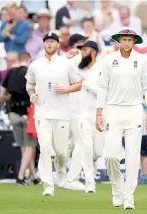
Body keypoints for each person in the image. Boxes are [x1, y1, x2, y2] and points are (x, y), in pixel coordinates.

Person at [95, 27, 147, 210]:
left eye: (130, 40)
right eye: (124, 40)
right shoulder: (108, 60)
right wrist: (99, 112)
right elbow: (102, 87)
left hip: (135, 110)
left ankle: (129, 197)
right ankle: (117, 188)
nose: (127, 43)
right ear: (118, 41)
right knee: (111, 156)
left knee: (132, 158)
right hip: (113, 110)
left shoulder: (142, 60)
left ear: (134, 41)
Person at [25, 32, 82, 196]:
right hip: (42, 113)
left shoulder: (66, 64)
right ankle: (48, 185)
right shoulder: (35, 65)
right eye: (47, 41)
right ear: (43, 44)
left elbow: (78, 84)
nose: (49, 44)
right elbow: (29, 84)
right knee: (44, 147)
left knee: (61, 151)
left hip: (62, 113)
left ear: (58, 45)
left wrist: (66, 89)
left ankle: (61, 173)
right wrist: (31, 94)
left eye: (53, 42)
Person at [65, 40, 104, 193]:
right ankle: (90, 182)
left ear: (93, 52)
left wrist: (85, 84)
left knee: (98, 151)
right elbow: (61, 70)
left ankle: (88, 172)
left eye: (85, 50)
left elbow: (102, 92)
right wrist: (66, 57)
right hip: (83, 115)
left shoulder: (102, 68)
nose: (82, 53)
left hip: (100, 114)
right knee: (85, 148)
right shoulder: (78, 67)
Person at [1, 52, 40, 186]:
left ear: (19, 59)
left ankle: (34, 176)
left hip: (13, 114)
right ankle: (21, 176)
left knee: (24, 147)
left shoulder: (11, 72)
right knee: (30, 147)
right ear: (29, 60)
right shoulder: (31, 72)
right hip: (28, 114)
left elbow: (2, 94)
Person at [138, 100, 147, 185]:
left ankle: (145, 176)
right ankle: (142, 174)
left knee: (143, 155)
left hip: (144, 132)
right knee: (138, 156)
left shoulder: (146, 101)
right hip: (136, 132)